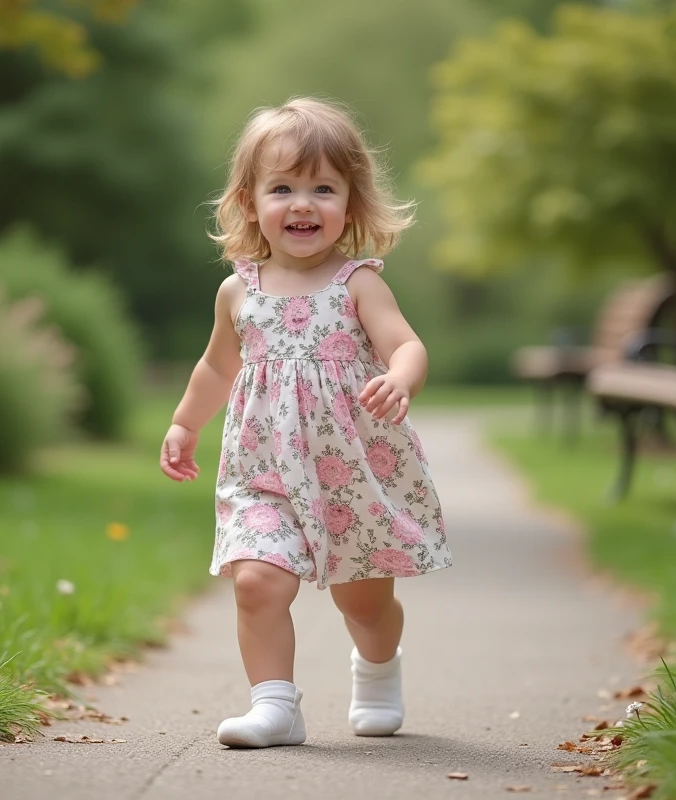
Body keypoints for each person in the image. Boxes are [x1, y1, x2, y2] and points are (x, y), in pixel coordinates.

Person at [160, 97, 451, 749]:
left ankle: (376, 670)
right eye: (283, 187)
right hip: (263, 473)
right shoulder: (240, 291)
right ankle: (274, 705)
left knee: (365, 604)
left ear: (351, 202)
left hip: (353, 475)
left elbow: (407, 345)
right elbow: (216, 367)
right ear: (248, 200)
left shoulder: (358, 284)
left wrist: (400, 376)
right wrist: (185, 423)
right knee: (257, 580)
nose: (302, 204)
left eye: (323, 188)